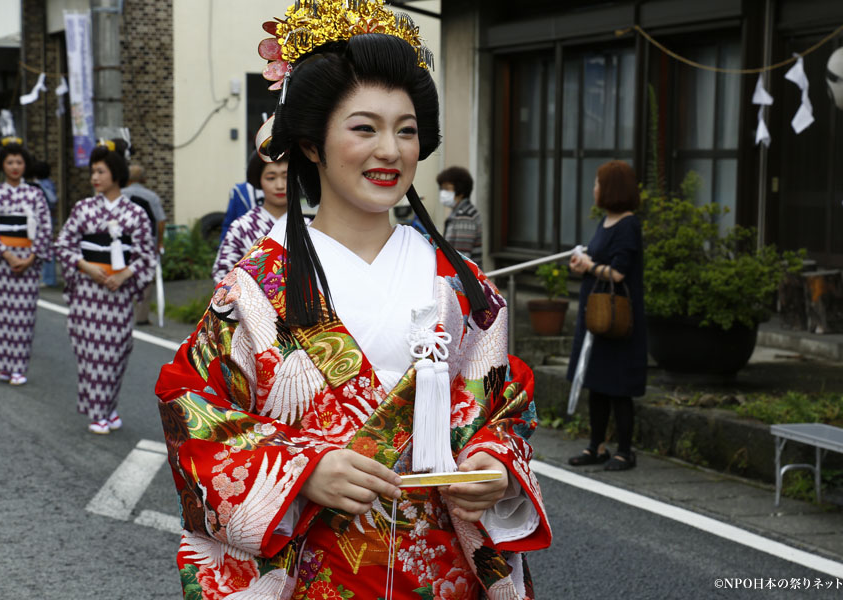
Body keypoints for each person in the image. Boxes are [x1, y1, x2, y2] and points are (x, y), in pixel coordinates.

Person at [155, 3, 551, 598]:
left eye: (407, 129)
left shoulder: (463, 285)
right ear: (312, 144)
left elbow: (506, 405)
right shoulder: (256, 287)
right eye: (364, 128)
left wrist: (495, 465)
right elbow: (192, 408)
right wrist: (303, 470)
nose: (390, 150)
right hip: (316, 573)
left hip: (444, 574)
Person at [55, 139, 156, 434]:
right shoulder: (83, 208)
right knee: (88, 354)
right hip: (87, 293)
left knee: (115, 353)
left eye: (100, 171)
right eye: (93, 172)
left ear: (115, 173)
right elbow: (63, 244)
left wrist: (124, 275)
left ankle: (108, 408)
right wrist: (86, 266)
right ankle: (100, 413)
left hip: (117, 293)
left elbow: (147, 255)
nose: (94, 178)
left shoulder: (135, 213)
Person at [566, 160, 647, 471]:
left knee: (619, 387)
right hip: (597, 317)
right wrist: (583, 263)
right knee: (596, 383)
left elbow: (618, 273)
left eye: (599, 184)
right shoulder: (607, 221)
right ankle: (595, 446)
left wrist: (589, 266)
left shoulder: (628, 225)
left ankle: (626, 451)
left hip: (618, 320)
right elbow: (601, 263)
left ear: (611, 189)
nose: (594, 189)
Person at [0, 140, 54, 385]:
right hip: (3, 261)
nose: (15, 166)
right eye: (10, 162)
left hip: (28, 259)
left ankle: (18, 366)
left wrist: (31, 257)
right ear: (2, 166)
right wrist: (7, 254)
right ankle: (3, 364)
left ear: (25, 165)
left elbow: (45, 227)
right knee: (1, 314)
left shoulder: (35, 193)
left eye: (19, 162)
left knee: (24, 316)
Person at [211, 152, 288, 282]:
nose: (280, 185)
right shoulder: (241, 228)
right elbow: (222, 275)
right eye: (271, 178)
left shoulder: (310, 227)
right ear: (260, 181)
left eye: (287, 177)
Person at [121, 163, 167, 324]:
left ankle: (122, 313)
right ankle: (141, 317)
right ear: (144, 179)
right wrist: (159, 243)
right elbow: (161, 221)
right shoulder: (151, 197)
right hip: (147, 243)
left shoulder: (120, 195)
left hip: (123, 244)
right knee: (146, 280)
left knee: (123, 275)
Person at [439, 166, 482, 267]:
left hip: (462, 280)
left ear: (460, 191)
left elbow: (461, 258)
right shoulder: (460, 212)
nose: (443, 193)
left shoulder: (465, 216)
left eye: (447, 189)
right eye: (442, 188)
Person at [220, 158, 265, 244]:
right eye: (271, 177)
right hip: (246, 246)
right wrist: (224, 245)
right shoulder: (239, 191)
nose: (279, 185)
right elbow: (229, 222)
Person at [31, 160, 58, 287]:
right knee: (41, 247)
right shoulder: (43, 183)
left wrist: (40, 186)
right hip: (40, 219)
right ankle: (44, 277)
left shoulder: (45, 184)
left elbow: (53, 199)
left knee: (47, 248)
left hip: (47, 219)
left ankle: (49, 279)